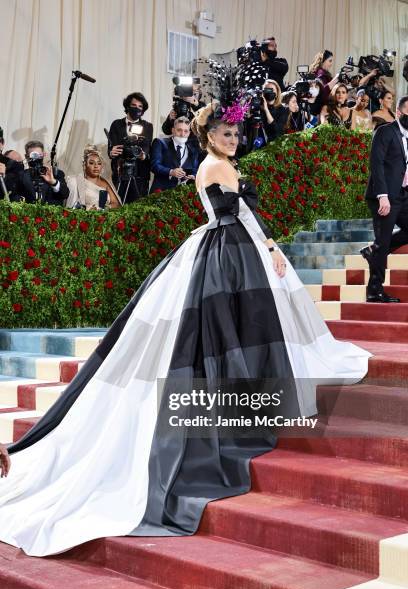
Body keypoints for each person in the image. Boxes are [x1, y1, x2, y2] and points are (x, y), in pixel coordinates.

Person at [0, 94, 370, 557]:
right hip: (226, 254)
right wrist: (267, 246)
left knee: (247, 329)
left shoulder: (228, 166)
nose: (233, 140)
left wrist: (272, 245)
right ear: (208, 137)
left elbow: (249, 215)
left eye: (235, 133)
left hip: (240, 250)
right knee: (222, 335)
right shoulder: (213, 169)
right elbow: (233, 214)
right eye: (224, 134)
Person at [361, 95, 408, 303]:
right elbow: (376, 164)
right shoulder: (385, 131)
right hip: (384, 195)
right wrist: (382, 197)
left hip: (402, 194)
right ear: (399, 112)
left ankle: (375, 251)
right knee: (383, 239)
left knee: (383, 243)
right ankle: (374, 290)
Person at [108, 92, 153, 202]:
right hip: (120, 172)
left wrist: (143, 155)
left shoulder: (147, 126)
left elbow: (146, 146)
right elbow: (111, 147)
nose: (137, 108)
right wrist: (111, 152)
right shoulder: (116, 124)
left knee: (138, 208)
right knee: (117, 204)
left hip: (140, 175)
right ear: (127, 106)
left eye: (140, 106)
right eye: (134, 105)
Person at [150, 117, 199, 193]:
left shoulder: (192, 149)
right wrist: (171, 172)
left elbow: (194, 169)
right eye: (179, 130)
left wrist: (193, 176)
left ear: (189, 133)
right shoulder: (160, 142)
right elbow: (154, 166)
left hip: (182, 194)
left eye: (186, 131)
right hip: (160, 192)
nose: (182, 134)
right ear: (173, 130)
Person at [13, 141, 69, 205]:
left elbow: (65, 194)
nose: (36, 159)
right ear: (26, 156)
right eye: (33, 156)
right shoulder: (21, 175)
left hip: (51, 214)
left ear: (43, 155)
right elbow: (13, 196)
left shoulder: (56, 173)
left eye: (39, 156)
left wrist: (53, 182)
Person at [66, 146, 121, 210]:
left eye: (99, 163)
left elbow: (116, 203)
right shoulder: (75, 181)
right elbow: (72, 207)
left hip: (105, 217)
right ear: (84, 165)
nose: (96, 166)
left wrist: (103, 208)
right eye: (92, 163)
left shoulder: (106, 182)